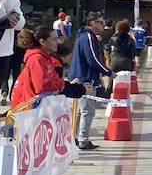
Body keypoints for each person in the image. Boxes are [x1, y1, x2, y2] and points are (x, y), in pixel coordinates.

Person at [71, 13, 111, 150]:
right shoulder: (88, 37)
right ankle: (83, 139)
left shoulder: (83, 36)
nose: (103, 25)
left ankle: (74, 137)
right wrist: (108, 72)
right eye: (100, 22)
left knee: (79, 111)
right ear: (93, 23)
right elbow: (92, 59)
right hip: (86, 79)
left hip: (80, 77)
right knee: (87, 111)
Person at [10, 26, 64, 110]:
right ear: (42, 42)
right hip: (28, 110)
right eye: (54, 39)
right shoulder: (36, 59)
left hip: (37, 107)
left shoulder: (46, 57)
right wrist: (61, 83)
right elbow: (41, 86)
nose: (58, 42)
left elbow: (53, 78)